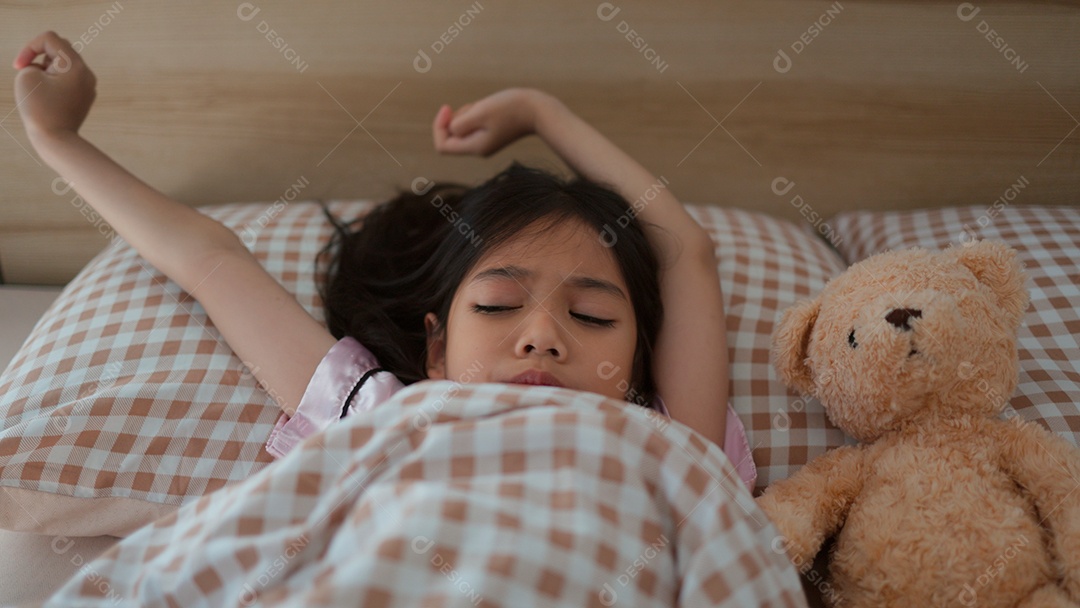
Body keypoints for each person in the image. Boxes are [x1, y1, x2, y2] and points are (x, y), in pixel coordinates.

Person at [13, 31, 755, 488]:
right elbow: (213, 266)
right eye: (497, 305)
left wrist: (542, 112)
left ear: (635, 370)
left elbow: (685, 252)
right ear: (435, 347)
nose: (542, 335)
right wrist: (58, 141)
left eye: (592, 315)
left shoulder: (672, 443)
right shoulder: (381, 417)